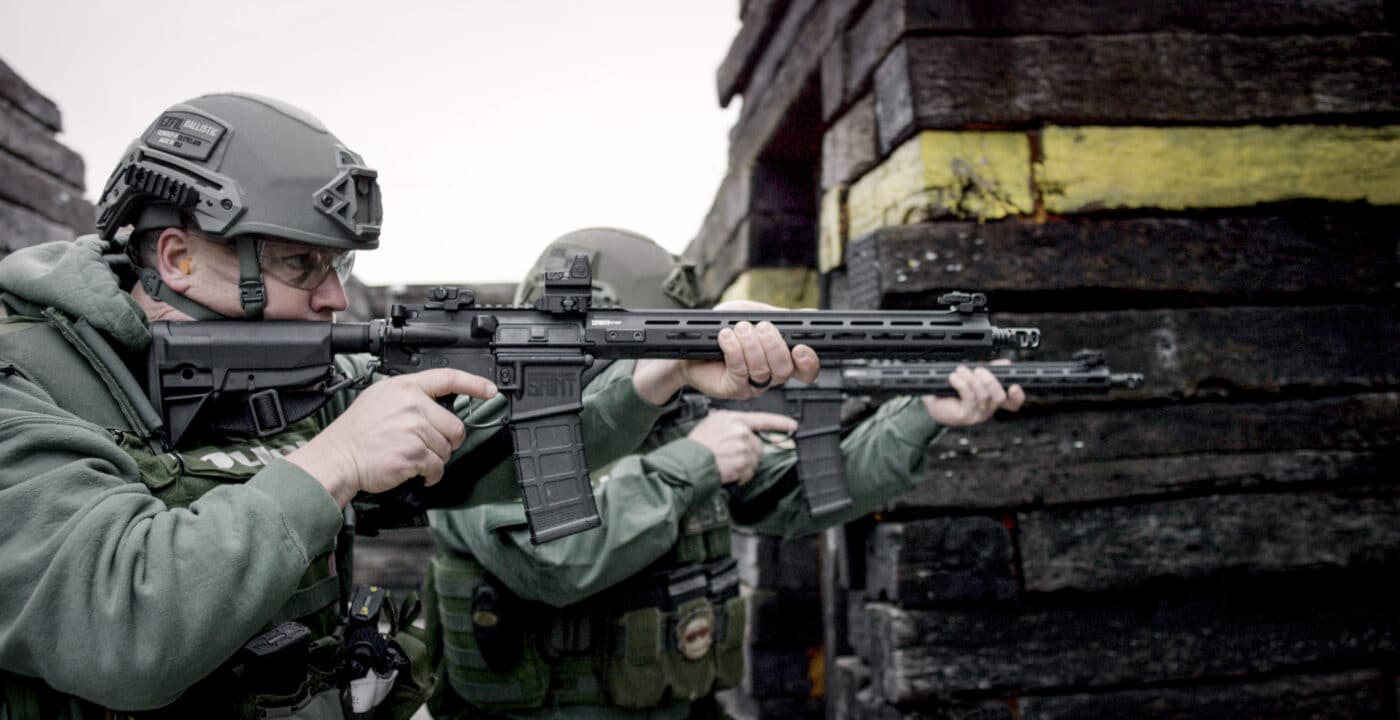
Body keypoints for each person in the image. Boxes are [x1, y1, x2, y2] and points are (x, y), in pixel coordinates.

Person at [0, 96, 816, 719]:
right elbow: (118, 624)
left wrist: (658, 375)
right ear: (177, 254)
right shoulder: (24, 380)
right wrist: (333, 463)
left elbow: (478, 455)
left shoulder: (288, 374)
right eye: (299, 265)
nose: (332, 298)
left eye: (340, 268)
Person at [423, 228, 1025, 719]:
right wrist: (697, 462)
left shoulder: (673, 426)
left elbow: (807, 490)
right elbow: (555, 562)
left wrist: (921, 414)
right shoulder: (484, 440)